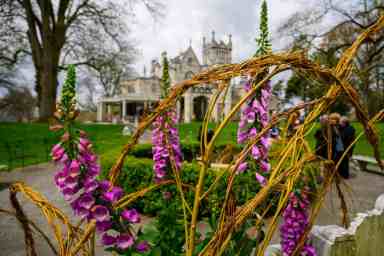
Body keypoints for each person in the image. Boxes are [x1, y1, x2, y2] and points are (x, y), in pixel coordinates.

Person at [328, 113, 348, 178]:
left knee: (337, 159)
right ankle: (332, 173)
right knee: (332, 159)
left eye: (334, 119)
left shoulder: (339, 127)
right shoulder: (329, 127)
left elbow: (339, 136)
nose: (332, 120)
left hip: (338, 146)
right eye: (331, 119)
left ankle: (336, 174)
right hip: (332, 146)